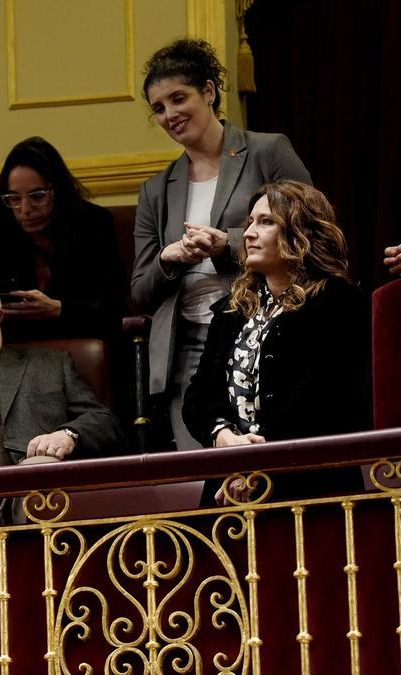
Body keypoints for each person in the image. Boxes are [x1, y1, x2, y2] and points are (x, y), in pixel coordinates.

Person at [130, 38, 310, 450]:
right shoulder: (155, 190)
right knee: (210, 478)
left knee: (267, 465)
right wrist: (168, 257)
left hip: (266, 331)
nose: (170, 114)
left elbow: (309, 236)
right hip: (188, 350)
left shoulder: (268, 151)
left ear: (209, 92)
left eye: (179, 98)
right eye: (158, 108)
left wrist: (225, 244)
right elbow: (140, 291)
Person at [183, 181, 369, 504]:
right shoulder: (233, 309)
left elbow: (327, 397)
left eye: (266, 222)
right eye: (250, 223)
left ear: (300, 232)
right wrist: (222, 436)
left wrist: (260, 461)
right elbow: (199, 394)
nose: (250, 234)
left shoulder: (338, 301)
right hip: (228, 489)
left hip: (308, 490)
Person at [0, 270, 125, 524]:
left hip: (24, 491)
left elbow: (105, 422)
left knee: (40, 470)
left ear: (0, 316)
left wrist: (68, 435)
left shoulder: (49, 364)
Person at [0, 137, 126, 342]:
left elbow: (114, 308)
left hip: (85, 341)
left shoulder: (93, 224)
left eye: (37, 196)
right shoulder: (1, 228)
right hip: (19, 346)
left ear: (59, 191)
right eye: (14, 198)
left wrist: (59, 309)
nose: (25, 210)